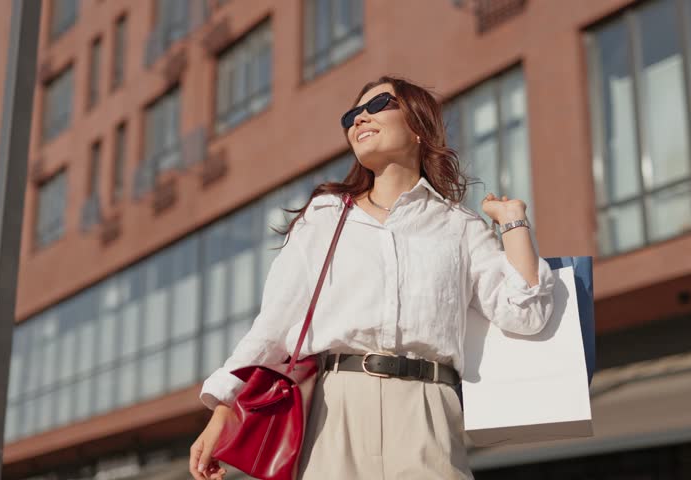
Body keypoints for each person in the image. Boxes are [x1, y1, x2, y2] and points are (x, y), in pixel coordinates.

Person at [189, 76, 555, 480]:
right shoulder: (325, 217)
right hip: (335, 407)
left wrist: (513, 221)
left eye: (378, 104)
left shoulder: (459, 225)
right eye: (351, 115)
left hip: (427, 407)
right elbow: (273, 325)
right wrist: (224, 407)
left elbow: (526, 313)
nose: (359, 118)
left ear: (418, 125)